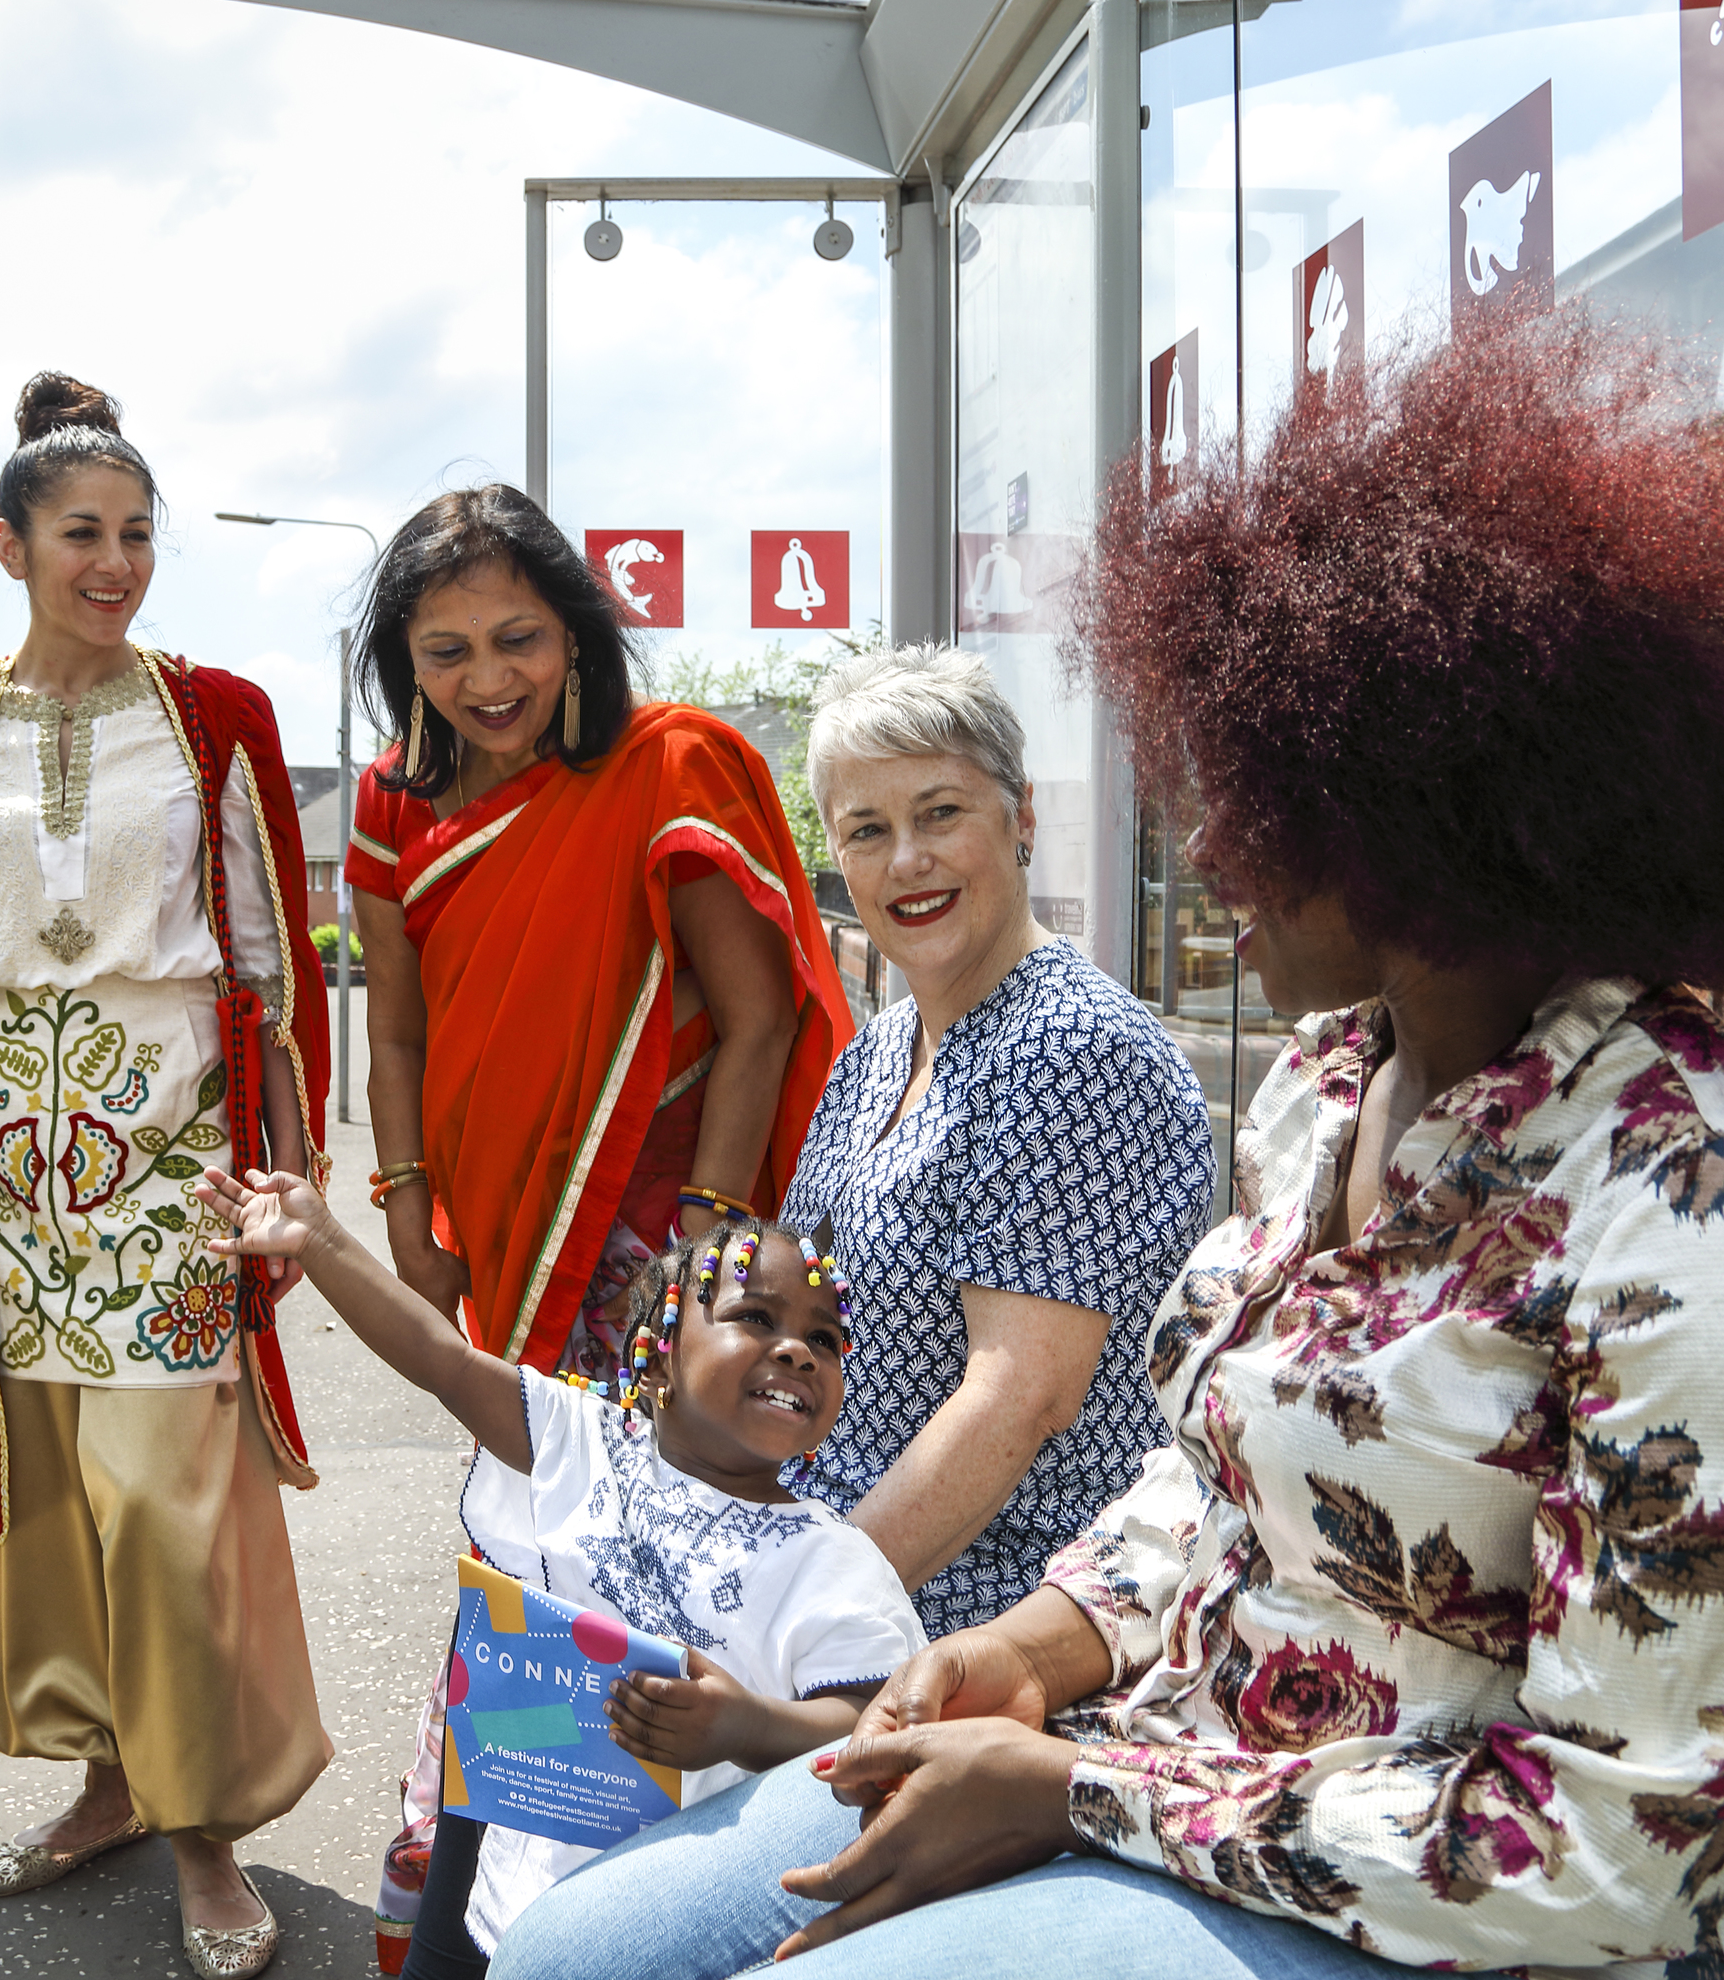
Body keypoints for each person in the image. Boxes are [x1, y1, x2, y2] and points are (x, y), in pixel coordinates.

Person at [490, 309, 1724, 1980]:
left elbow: (1612, 1856)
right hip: (1166, 1755)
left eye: (1269, 791)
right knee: (571, 1953)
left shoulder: (1720, 1220)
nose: (1213, 841)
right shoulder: (1323, 1091)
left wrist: (1067, 1791)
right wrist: (1026, 1650)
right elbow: (1212, 1487)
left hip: (1441, 1910)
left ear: (1453, 813)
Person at [0, 373, 332, 1980]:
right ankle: (111, 1782)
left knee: (168, 1511)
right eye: (81, 535)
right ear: (9, 544)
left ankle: (204, 1839)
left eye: (136, 535)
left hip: (170, 1172)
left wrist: (292, 1175)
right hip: (9, 1194)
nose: (114, 563)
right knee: (65, 1506)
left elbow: (262, 963)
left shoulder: (218, 716)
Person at [342, 483, 856, 1960]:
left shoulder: (665, 763)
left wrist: (713, 1255)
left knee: (653, 1548)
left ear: (576, 630)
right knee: (525, 1532)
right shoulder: (389, 807)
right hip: (502, 1225)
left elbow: (756, 1023)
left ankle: (628, 1860)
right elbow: (398, 1038)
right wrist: (402, 1201)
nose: (489, 680)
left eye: (520, 637)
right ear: (403, 662)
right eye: (445, 651)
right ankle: (482, 1817)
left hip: (654, 1247)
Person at [196, 1168, 923, 1980]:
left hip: (661, 1927)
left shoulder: (834, 1562)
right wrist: (323, 1241)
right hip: (508, 1867)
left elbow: (878, 1729)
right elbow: (442, 1360)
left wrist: (746, 1728)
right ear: (659, 1363)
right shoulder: (587, 1445)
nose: (796, 1349)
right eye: (754, 1317)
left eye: (825, 1339)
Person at [782, 646, 1212, 1640]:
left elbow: (1018, 1404)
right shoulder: (881, 1053)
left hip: (986, 1621)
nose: (907, 861)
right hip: (847, 1572)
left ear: (1020, 819)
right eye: (868, 830)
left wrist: (794, 1621)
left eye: (940, 813)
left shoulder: (1073, 1050)